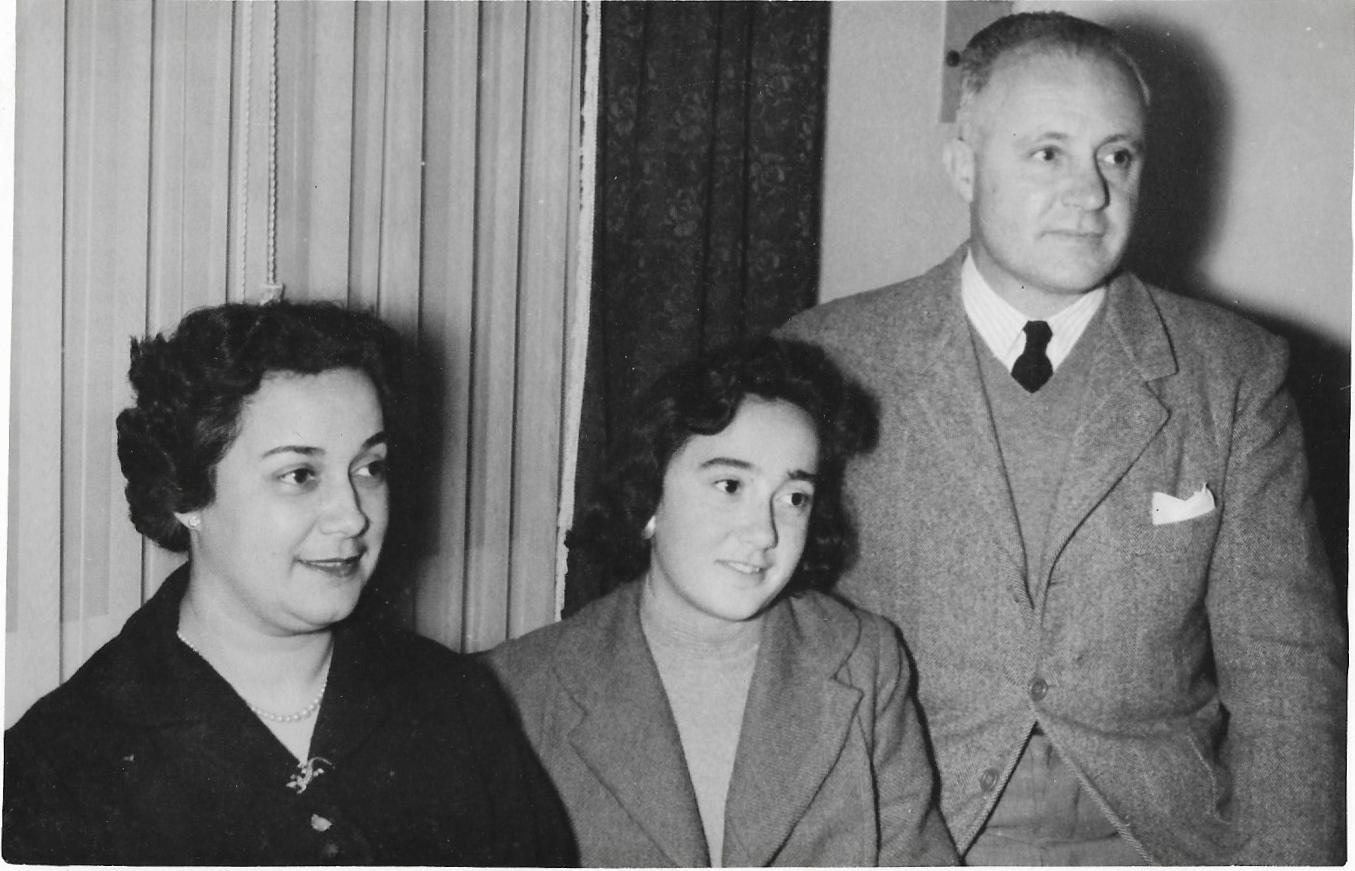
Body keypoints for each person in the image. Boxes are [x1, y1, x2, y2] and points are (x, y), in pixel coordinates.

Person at [782, 11, 1345, 866]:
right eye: (1047, 153)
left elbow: (1286, 673)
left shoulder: (1231, 373)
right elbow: (777, 646)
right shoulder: (829, 358)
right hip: (904, 832)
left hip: (1154, 840)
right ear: (963, 166)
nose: (1090, 193)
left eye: (1116, 156)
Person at [3, 300, 576, 865]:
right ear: (185, 495)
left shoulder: (454, 702)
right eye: (300, 475)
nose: (351, 516)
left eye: (369, 468)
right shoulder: (59, 768)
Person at [487, 337, 958, 867]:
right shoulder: (517, 690)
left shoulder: (863, 659)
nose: (764, 532)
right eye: (730, 485)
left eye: (794, 498)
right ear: (649, 500)